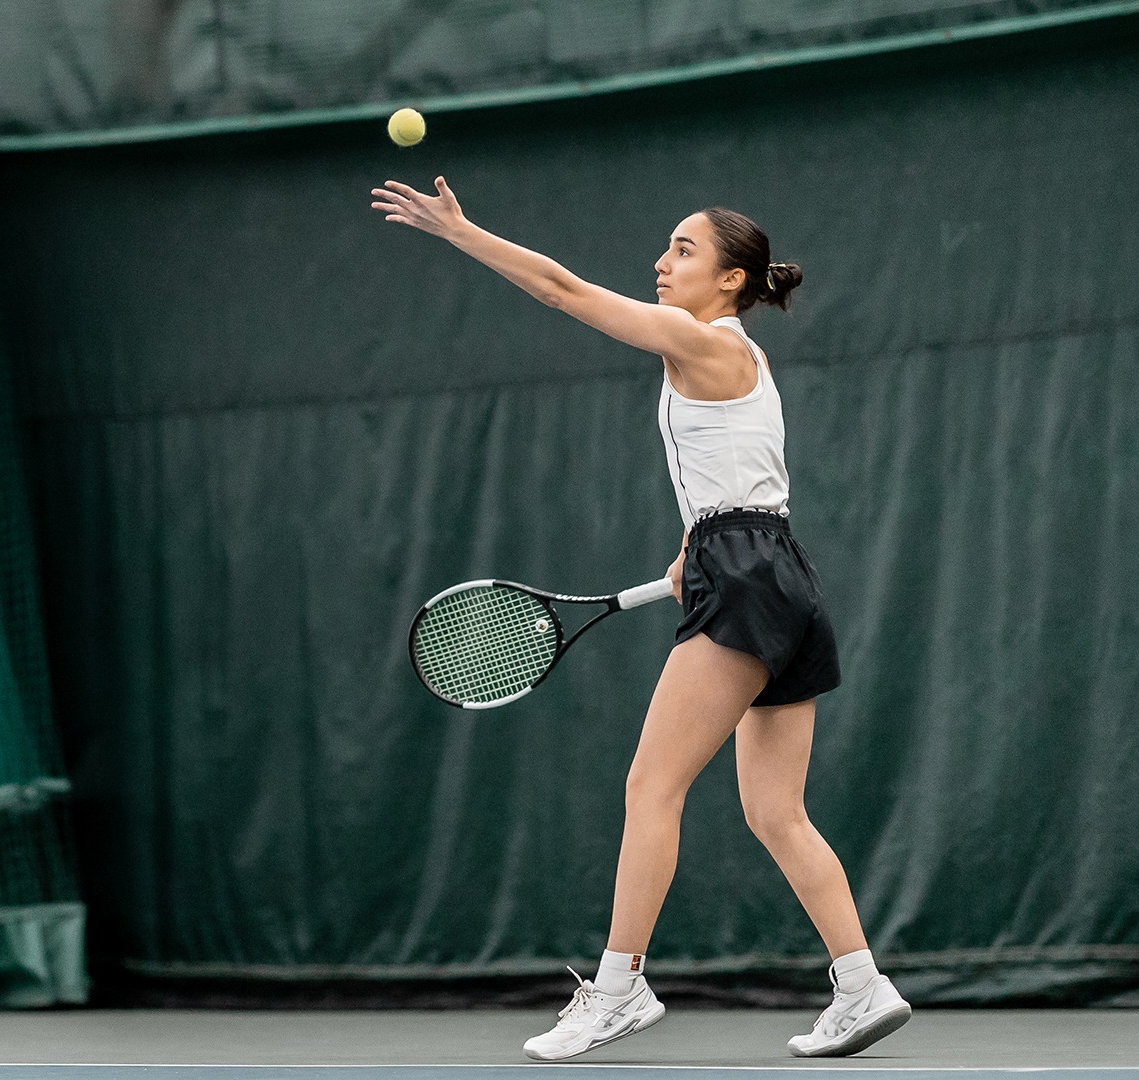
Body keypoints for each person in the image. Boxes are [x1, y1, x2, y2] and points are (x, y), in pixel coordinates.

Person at [370, 177, 910, 1060]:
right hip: (778, 574)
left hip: (743, 576)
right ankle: (863, 985)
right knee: (777, 813)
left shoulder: (699, 343)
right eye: (666, 248)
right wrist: (695, 546)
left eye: (685, 251)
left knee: (650, 789)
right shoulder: (743, 362)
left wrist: (461, 233)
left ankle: (617, 989)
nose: (663, 264)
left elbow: (561, 290)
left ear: (732, 280)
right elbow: (744, 490)